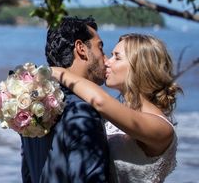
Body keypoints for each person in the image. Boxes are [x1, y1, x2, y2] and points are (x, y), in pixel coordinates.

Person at [51, 33, 181, 183]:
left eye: (117, 58)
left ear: (140, 67)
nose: (107, 62)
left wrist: (57, 72)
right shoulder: (118, 112)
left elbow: (100, 101)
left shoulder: (162, 128)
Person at [21, 16, 111, 183]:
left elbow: (28, 176)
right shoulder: (82, 111)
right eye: (100, 48)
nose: (105, 58)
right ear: (81, 48)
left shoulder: (31, 110)